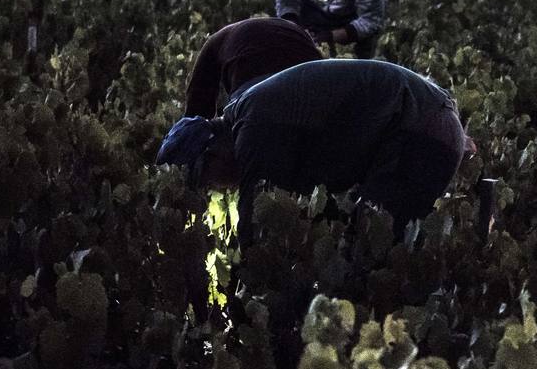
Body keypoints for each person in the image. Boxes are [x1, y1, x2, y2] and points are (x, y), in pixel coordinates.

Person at [157, 59, 468, 245]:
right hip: (425, 124)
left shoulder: (253, 125)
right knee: (357, 240)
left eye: (208, 182)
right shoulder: (248, 110)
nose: (217, 190)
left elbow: (256, 221)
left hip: (420, 131)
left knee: (374, 250)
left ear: (212, 153)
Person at [182, 17, 323, 118]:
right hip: (312, 83)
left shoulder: (213, 43)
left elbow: (196, 111)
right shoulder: (292, 29)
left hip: (256, 92)